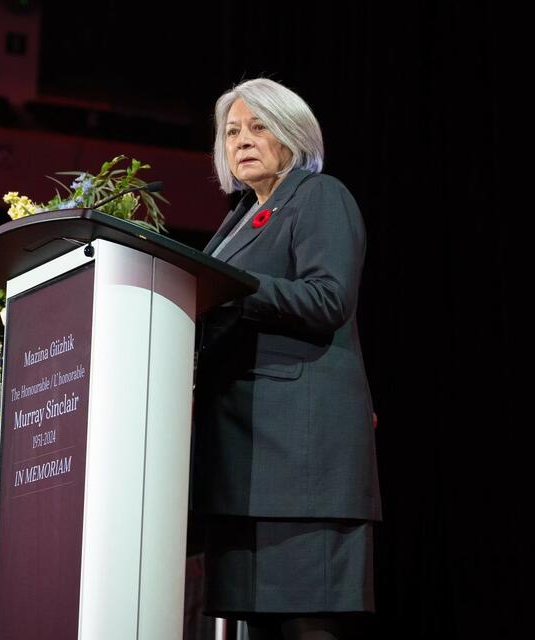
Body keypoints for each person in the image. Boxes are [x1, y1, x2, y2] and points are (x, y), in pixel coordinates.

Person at [191, 78, 382, 640]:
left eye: (258, 127)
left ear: (293, 135)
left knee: (304, 626)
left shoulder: (319, 196)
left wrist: (231, 287)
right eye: (231, 132)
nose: (241, 141)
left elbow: (329, 298)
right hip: (244, 463)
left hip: (299, 465)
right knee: (259, 627)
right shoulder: (237, 221)